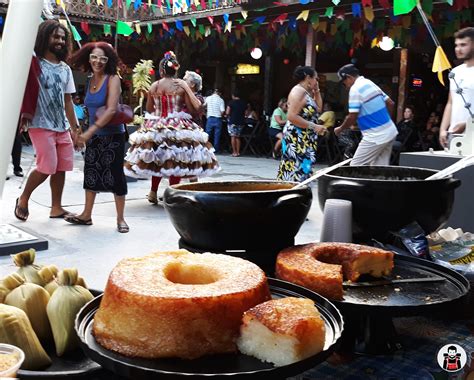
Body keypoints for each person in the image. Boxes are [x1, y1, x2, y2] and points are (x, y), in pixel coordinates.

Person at [124, 51, 219, 204]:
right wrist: (186, 91)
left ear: (161, 71)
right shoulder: (180, 86)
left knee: (157, 158)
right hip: (178, 125)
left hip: (156, 125)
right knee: (176, 159)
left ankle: (153, 192)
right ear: (176, 70)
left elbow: (149, 109)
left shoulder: (154, 86)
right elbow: (195, 109)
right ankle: (173, 194)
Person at [14, 20, 79, 221]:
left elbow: (68, 101)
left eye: (62, 37)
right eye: (55, 36)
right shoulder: (33, 63)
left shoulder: (65, 69)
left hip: (62, 126)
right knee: (46, 166)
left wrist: (75, 128)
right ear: (44, 37)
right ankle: (23, 199)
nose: (59, 41)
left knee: (61, 167)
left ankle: (56, 208)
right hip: (40, 124)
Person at [67, 42, 129, 233]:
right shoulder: (89, 79)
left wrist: (88, 132)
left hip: (114, 136)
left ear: (108, 60)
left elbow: (110, 110)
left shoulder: (113, 79)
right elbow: (89, 109)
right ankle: (86, 214)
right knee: (91, 173)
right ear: (89, 58)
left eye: (103, 58)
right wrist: (78, 131)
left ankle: (120, 219)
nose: (98, 61)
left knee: (116, 175)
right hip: (93, 136)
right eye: (94, 57)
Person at [335, 64, 397, 166]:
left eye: (344, 82)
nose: (345, 86)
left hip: (375, 136)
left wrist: (340, 129)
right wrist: (384, 122)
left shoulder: (355, 89)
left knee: (355, 167)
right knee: (379, 169)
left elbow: (352, 116)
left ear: (349, 77)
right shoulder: (369, 83)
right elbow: (391, 103)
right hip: (390, 131)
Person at [277, 66, 326, 182]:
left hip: (305, 137)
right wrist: (314, 126)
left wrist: (317, 91)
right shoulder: (298, 91)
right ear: (308, 78)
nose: (317, 81)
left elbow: (318, 109)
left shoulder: (306, 92)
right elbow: (291, 116)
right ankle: (291, 194)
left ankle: (299, 194)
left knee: (303, 169)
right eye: (316, 79)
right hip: (297, 137)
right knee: (295, 169)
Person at [439, 27, 474, 148]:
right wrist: (443, 129)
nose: (458, 49)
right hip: (454, 135)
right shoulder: (455, 72)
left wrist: (466, 125)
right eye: (456, 45)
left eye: (463, 45)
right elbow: (450, 102)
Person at [226, 90, 247, 157]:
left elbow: (227, 112)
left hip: (233, 121)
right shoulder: (243, 103)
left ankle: (234, 152)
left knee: (233, 136)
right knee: (238, 137)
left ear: (233, 95)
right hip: (241, 122)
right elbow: (246, 113)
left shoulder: (231, 102)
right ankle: (238, 152)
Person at [204, 89, 225, 153]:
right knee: (217, 135)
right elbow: (222, 111)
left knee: (207, 134)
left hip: (210, 118)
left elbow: (203, 106)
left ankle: (205, 147)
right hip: (218, 119)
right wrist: (220, 115)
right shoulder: (221, 100)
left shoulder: (208, 98)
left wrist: (205, 113)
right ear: (220, 93)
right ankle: (216, 149)